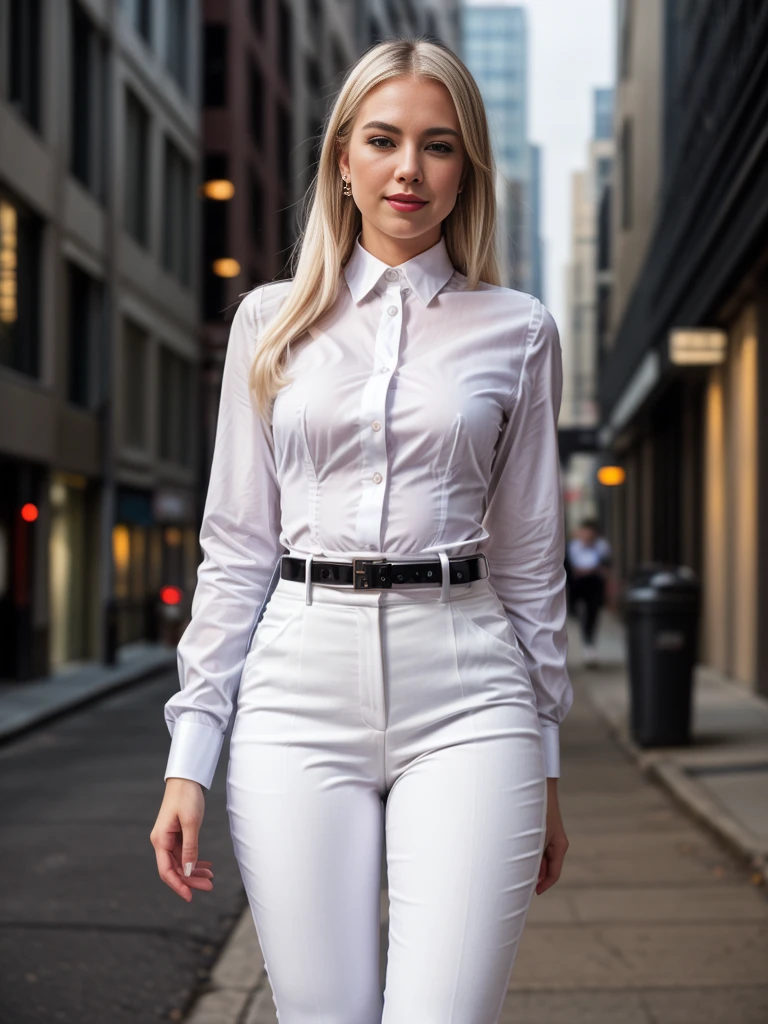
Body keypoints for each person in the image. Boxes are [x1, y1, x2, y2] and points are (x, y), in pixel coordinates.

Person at [150, 37, 573, 1023]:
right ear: (342, 156)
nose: (408, 170)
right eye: (384, 140)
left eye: (439, 145)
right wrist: (188, 758)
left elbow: (528, 557)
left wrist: (548, 761)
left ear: (465, 168)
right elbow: (237, 551)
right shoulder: (269, 324)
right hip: (297, 694)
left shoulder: (517, 328)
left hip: (471, 690)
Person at [566, 518, 612, 667]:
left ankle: (589, 645)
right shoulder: (572, 547)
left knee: (592, 614)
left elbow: (606, 566)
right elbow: (567, 566)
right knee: (577, 613)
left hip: (594, 585)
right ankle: (587, 641)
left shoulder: (602, 547)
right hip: (577, 586)